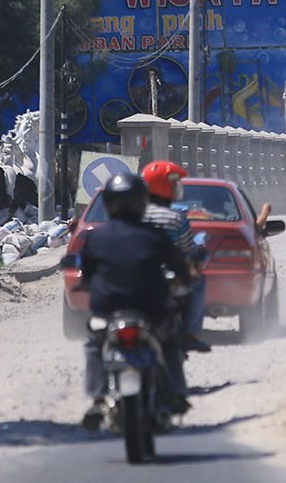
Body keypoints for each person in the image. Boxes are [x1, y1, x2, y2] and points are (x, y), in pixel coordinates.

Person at [77, 172, 192, 431]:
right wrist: (183, 281)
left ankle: (97, 399)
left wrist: (86, 284)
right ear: (142, 202)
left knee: (94, 345)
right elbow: (180, 267)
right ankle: (174, 392)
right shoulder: (155, 234)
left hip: (107, 313)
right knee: (172, 339)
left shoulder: (95, 237)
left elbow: (86, 273)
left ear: (108, 203)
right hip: (152, 311)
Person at [140, 160, 211, 354]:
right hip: (168, 278)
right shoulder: (176, 218)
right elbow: (188, 249)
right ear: (166, 187)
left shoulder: (136, 215)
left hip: (137, 276)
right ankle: (190, 334)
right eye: (174, 184)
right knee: (199, 282)